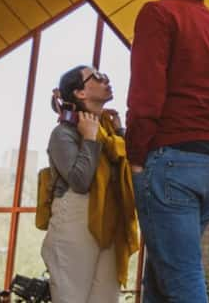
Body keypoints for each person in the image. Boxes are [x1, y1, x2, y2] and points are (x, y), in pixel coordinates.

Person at [127, 0, 209, 303]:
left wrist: (136, 158)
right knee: (162, 278)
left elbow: (146, 93)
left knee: (181, 278)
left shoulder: (159, 14)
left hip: (172, 159)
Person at [41, 65, 138, 303]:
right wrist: (90, 139)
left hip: (109, 219)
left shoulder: (110, 133)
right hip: (76, 219)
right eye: (96, 77)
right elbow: (80, 181)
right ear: (80, 93)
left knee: (106, 298)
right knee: (71, 296)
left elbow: (128, 170)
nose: (105, 79)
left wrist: (119, 132)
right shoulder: (63, 134)